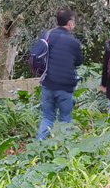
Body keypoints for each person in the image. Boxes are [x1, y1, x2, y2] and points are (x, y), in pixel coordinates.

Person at [36, 8, 84, 140]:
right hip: (65, 86)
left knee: (47, 117)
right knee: (65, 118)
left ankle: (38, 147)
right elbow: (79, 62)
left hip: (47, 83)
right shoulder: (73, 42)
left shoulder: (46, 35)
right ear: (70, 23)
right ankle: (64, 148)